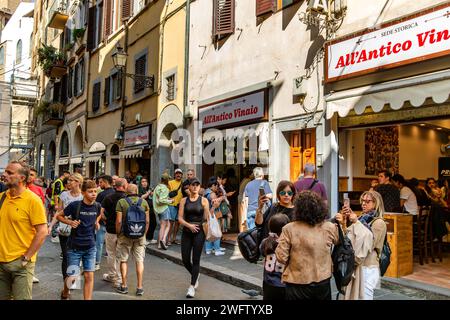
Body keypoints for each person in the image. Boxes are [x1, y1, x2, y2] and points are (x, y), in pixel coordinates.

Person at [275, 191, 339, 300]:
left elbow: (281, 258)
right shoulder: (329, 227)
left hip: (296, 282)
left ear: (298, 209)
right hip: (322, 280)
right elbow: (339, 242)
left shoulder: (289, 229)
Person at [0, 161, 48, 300]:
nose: (4, 175)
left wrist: (26, 257)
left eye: (10, 173)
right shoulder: (2, 197)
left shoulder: (33, 200)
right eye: (5, 172)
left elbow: (42, 231)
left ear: (22, 178)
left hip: (21, 263)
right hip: (1, 263)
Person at [335, 190, 387, 300]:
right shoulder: (361, 218)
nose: (363, 204)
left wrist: (356, 223)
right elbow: (349, 239)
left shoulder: (379, 223)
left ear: (376, 203)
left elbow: (370, 244)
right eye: (362, 201)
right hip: (358, 264)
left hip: (368, 266)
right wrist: (344, 222)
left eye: (368, 201)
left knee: (365, 296)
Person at [58, 180, 101, 300]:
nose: (93, 194)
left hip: (90, 247)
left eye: (95, 191)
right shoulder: (75, 205)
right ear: (83, 192)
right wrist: (70, 222)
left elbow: (98, 215)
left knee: (89, 276)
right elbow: (59, 216)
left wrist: (96, 222)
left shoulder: (97, 206)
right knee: (73, 278)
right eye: (90, 191)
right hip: (74, 248)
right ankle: (65, 292)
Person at [178, 177, 217, 298]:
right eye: (193, 185)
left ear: (199, 187)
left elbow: (207, 217)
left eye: (197, 185)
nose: (195, 187)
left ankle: (192, 286)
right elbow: (179, 218)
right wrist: (189, 225)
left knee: (196, 260)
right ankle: (195, 274)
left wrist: (214, 207)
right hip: (186, 232)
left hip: (199, 233)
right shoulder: (184, 201)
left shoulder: (204, 200)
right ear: (189, 187)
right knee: (185, 259)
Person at [115, 184, 150, 296]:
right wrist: (143, 234)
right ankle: (140, 287)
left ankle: (124, 286)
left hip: (125, 235)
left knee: (123, 260)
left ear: (126, 191)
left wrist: (118, 233)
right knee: (139, 261)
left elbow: (119, 221)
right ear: (137, 190)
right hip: (140, 235)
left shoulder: (121, 202)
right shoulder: (143, 202)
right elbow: (147, 221)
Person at [54, 173, 84, 300]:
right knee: (66, 256)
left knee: (76, 257)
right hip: (65, 229)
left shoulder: (84, 196)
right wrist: (52, 225)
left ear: (78, 182)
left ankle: (72, 282)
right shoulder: (64, 194)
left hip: (79, 231)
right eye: (68, 180)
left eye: (71, 180)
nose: (68, 183)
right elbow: (59, 211)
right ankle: (66, 283)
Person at [100, 178, 128, 288]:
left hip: (110, 230)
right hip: (123, 231)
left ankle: (112, 275)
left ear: (115, 185)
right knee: (122, 255)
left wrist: (106, 221)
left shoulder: (108, 197)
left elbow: (101, 213)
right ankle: (119, 279)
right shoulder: (127, 198)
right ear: (124, 186)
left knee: (111, 254)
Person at [256, 181, 296, 245]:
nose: (286, 195)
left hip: (282, 250)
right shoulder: (273, 207)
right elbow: (259, 223)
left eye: (289, 193)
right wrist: (260, 208)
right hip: (265, 247)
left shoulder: (295, 211)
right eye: (283, 193)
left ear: (293, 194)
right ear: (278, 194)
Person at [260, 213, 290, 300]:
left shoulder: (265, 242)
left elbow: (262, 253)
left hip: (268, 284)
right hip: (283, 284)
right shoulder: (286, 244)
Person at [94, 175, 115, 271]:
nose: (99, 184)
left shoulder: (101, 195)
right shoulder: (115, 193)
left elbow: (96, 209)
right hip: (113, 224)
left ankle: (97, 263)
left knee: (99, 243)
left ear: (106, 182)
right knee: (112, 246)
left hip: (102, 222)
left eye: (101, 182)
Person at [203, 177, 226, 256]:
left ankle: (208, 249)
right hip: (212, 213)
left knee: (209, 231)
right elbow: (215, 203)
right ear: (213, 185)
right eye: (216, 186)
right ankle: (217, 249)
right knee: (216, 231)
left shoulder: (206, 192)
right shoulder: (212, 193)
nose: (217, 188)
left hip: (207, 213)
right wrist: (221, 198)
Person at [153, 171, 174, 250]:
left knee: (163, 225)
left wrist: (167, 199)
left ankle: (159, 243)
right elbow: (161, 200)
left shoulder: (157, 187)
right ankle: (163, 240)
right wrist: (170, 201)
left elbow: (157, 200)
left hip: (158, 209)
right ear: (166, 180)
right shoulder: (165, 188)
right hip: (164, 208)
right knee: (166, 226)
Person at [168, 169, 184, 245]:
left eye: (180, 173)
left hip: (180, 205)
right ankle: (168, 239)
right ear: (174, 175)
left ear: (182, 175)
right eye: (177, 173)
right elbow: (167, 193)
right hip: (172, 205)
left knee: (178, 223)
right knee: (171, 222)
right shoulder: (170, 182)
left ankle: (174, 238)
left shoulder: (183, 184)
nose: (178, 175)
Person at [139, 178, 157, 245]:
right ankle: (144, 239)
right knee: (146, 224)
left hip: (151, 209)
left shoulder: (148, 189)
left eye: (145, 181)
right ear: (140, 183)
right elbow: (142, 197)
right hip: (144, 210)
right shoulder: (140, 190)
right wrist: (148, 193)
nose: (144, 183)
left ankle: (150, 238)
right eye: (143, 181)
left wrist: (152, 194)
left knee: (154, 223)